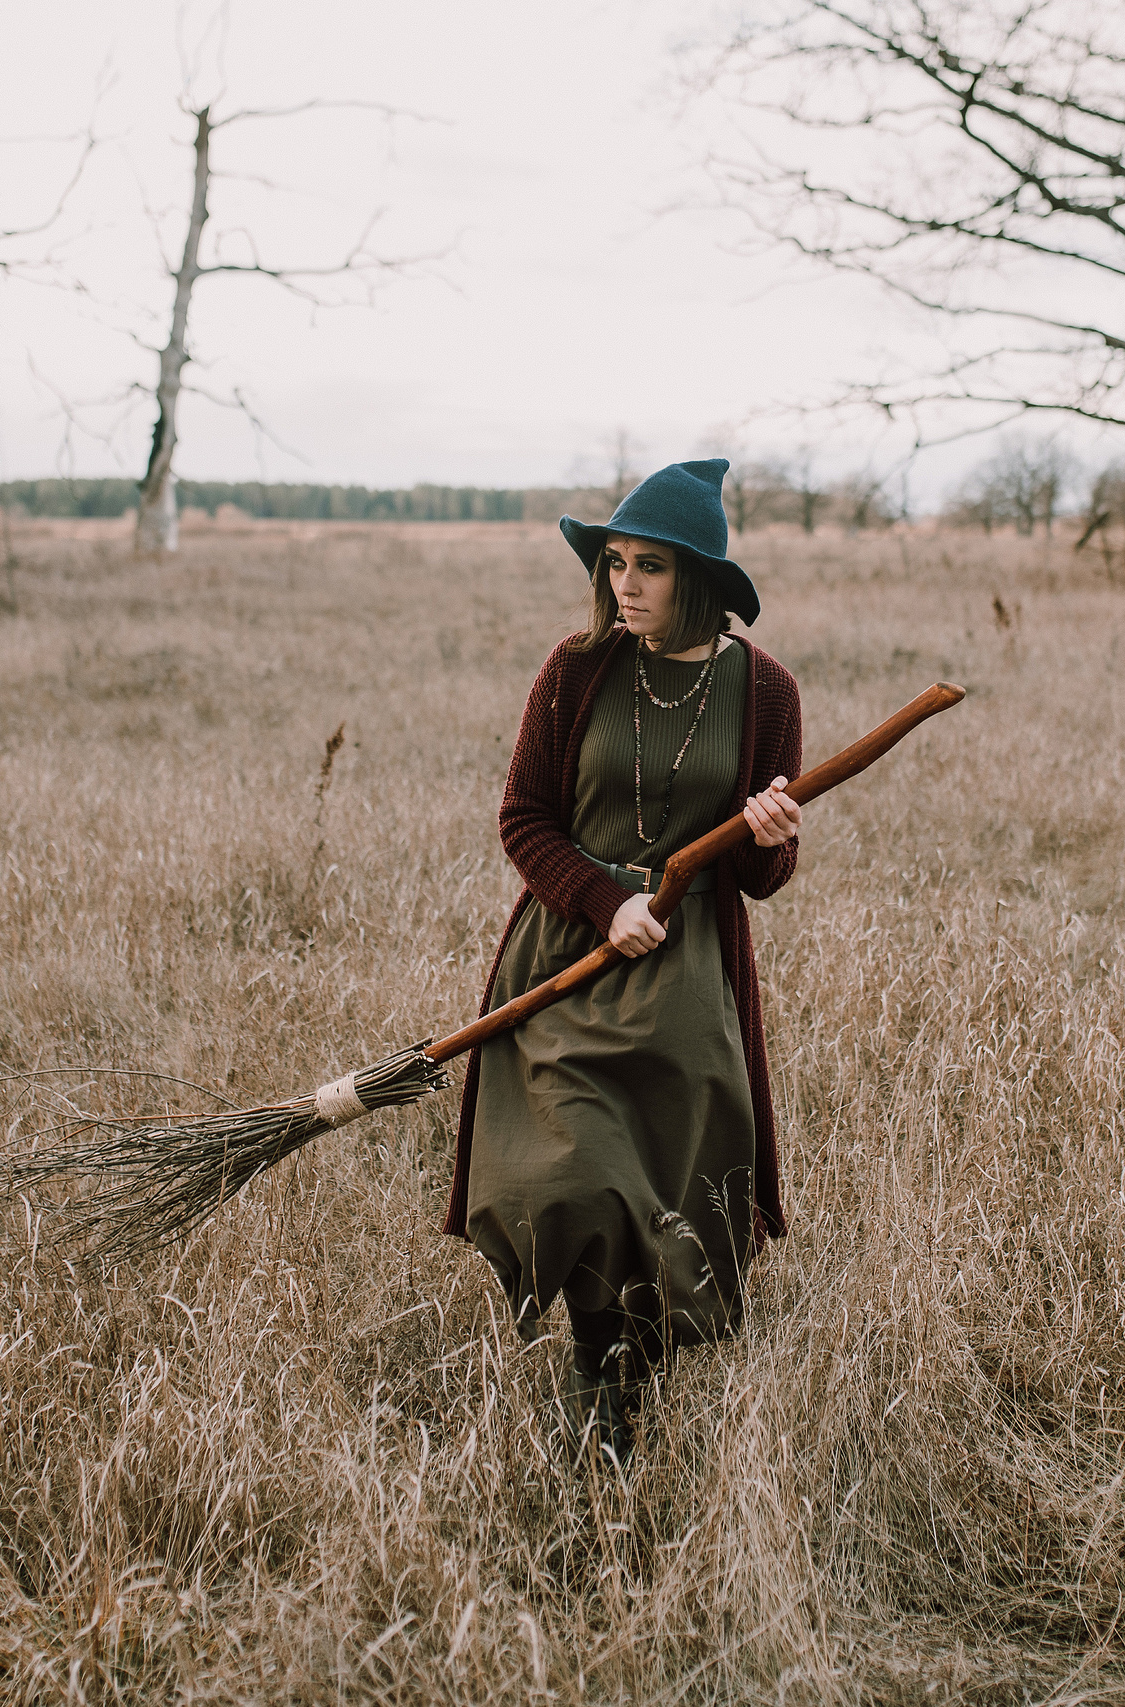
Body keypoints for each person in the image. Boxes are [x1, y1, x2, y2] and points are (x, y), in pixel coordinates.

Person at [443, 457, 804, 1465]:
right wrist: (605, 902)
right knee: (576, 1177)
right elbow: (523, 817)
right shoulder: (576, 670)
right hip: (569, 962)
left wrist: (769, 832)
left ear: (697, 577)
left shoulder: (765, 691)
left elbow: (766, 878)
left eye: (647, 567)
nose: (624, 586)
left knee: (670, 1199)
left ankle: (625, 1393)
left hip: (688, 981)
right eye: (612, 564)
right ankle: (598, 1379)